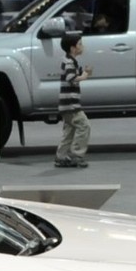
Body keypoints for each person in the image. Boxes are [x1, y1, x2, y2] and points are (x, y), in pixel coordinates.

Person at [48, 19, 90, 169]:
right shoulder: (69, 62)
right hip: (71, 105)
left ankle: (61, 156)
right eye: (80, 44)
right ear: (73, 48)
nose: (82, 47)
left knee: (69, 130)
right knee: (84, 126)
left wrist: (82, 72)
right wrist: (84, 76)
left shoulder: (69, 61)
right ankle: (77, 155)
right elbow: (71, 78)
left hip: (66, 104)